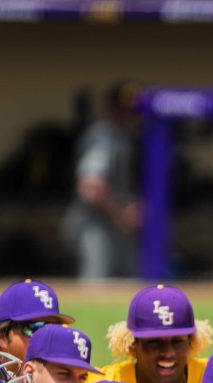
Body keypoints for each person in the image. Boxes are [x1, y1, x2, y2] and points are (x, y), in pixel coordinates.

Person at [64, 82, 141, 281]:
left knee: (130, 282)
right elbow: (90, 187)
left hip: (111, 225)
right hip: (94, 225)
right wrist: (121, 214)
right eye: (123, 109)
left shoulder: (121, 136)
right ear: (111, 108)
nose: (127, 115)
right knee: (97, 286)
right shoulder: (103, 137)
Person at [98, 284, 212, 383]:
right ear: (133, 344)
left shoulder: (211, 378)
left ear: (191, 341)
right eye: (154, 342)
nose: (168, 352)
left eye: (177, 341)